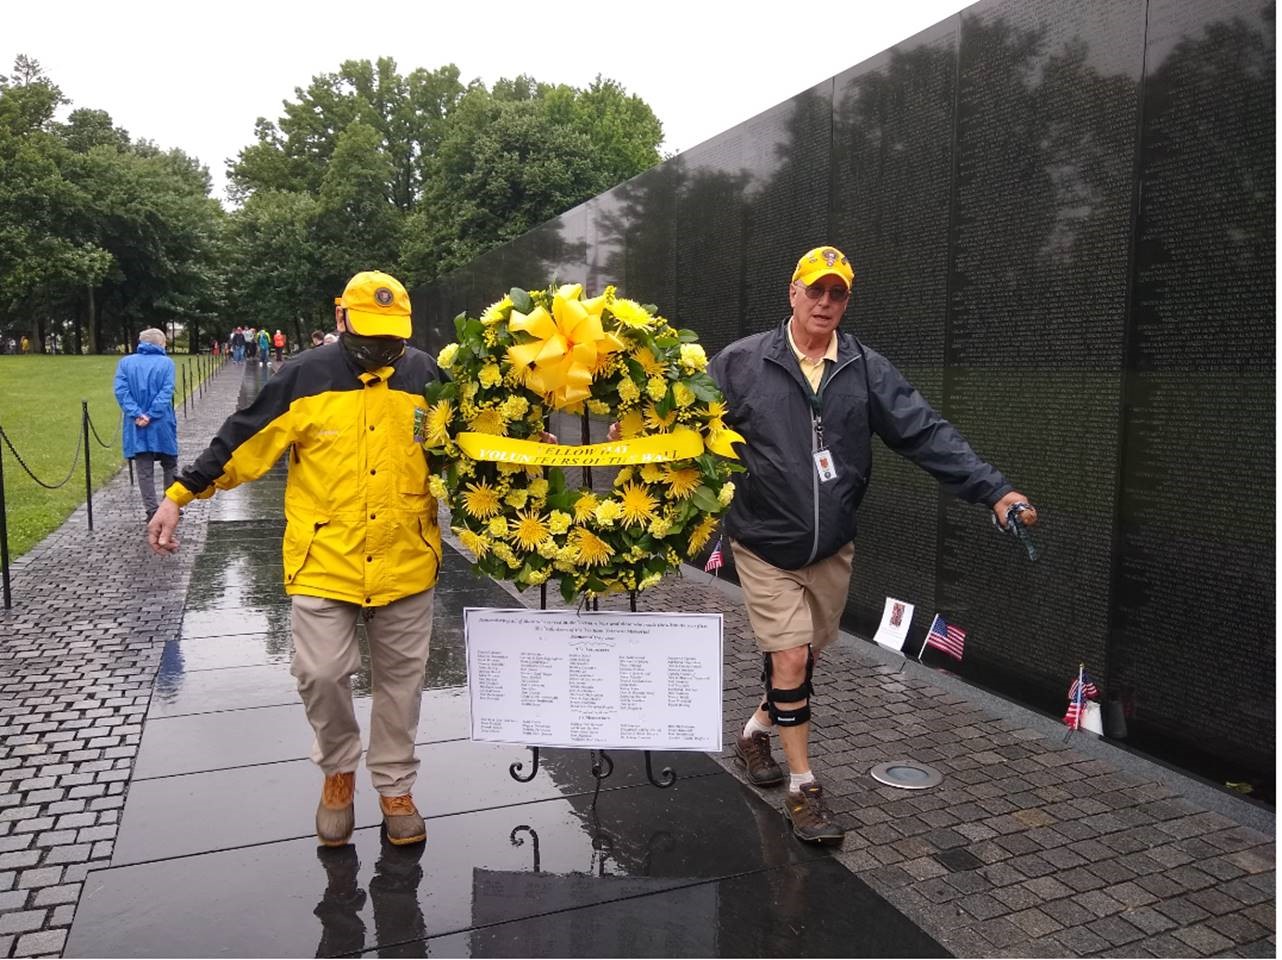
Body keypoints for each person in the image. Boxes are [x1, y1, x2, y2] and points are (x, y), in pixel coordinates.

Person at [707, 245, 1038, 845]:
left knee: (806, 658)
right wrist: (638, 434)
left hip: (832, 544)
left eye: (838, 294)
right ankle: (804, 789)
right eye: (816, 291)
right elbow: (685, 421)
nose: (825, 303)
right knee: (788, 656)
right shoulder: (741, 362)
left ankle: (756, 731)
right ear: (793, 292)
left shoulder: (864, 368)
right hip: (763, 541)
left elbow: (926, 432)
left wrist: (996, 491)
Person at [147, 271, 446, 848]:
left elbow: (464, 444)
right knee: (321, 673)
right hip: (324, 557)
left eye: (393, 335)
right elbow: (241, 441)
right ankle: (338, 771)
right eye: (370, 333)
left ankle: (394, 786)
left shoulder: (425, 374)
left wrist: (523, 455)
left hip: (408, 553)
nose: (384, 348)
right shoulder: (305, 375)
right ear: (341, 319)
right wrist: (179, 496)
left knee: (403, 683)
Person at [113, 328, 179, 523]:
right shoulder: (166, 364)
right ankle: (171, 502)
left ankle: (151, 509)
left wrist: (137, 413)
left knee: (144, 468)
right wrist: (151, 414)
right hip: (161, 422)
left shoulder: (125, 363)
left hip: (137, 423)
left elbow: (121, 391)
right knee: (170, 463)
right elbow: (166, 392)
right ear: (160, 343)